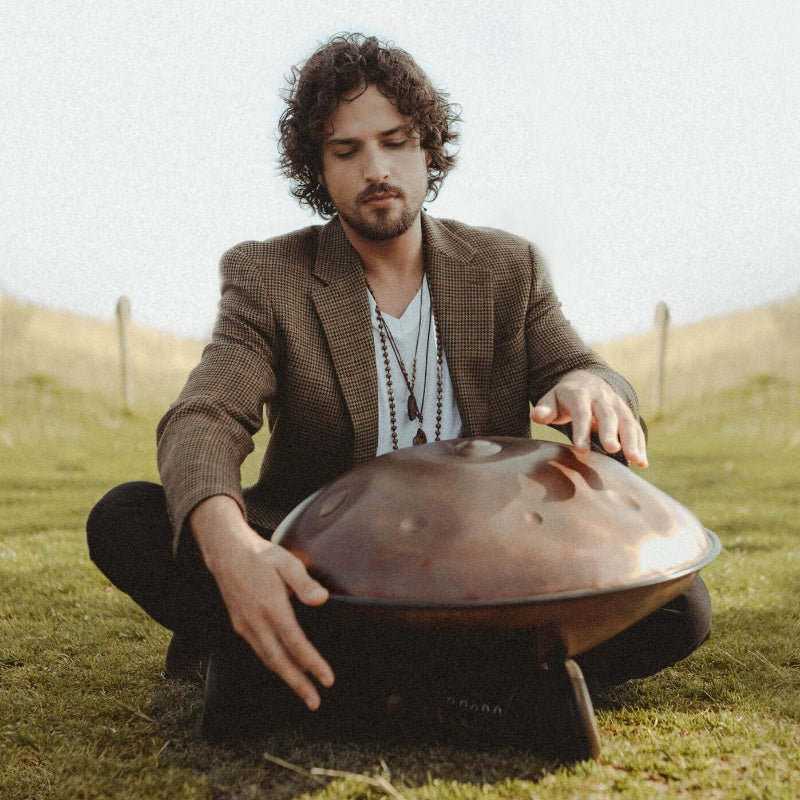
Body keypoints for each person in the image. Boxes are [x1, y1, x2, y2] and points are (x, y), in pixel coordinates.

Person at [87, 33, 710, 743]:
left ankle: (316, 683)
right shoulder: (269, 276)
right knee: (126, 518)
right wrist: (234, 550)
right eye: (346, 150)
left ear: (427, 150)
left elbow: (582, 367)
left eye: (395, 141)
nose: (375, 168)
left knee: (680, 604)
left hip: (489, 574)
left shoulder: (508, 268)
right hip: (327, 573)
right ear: (318, 169)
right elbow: (204, 415)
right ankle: (483, 694)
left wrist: (591, 384)